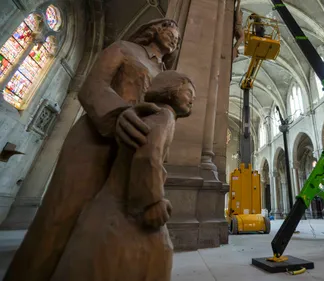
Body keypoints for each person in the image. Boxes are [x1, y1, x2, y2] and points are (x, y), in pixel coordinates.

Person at [3, 18, 181, 281]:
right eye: (171, 33)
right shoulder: (124, 48)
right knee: (60, 222)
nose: (174, 41)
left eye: (178, 40)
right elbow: (93, 85)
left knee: (109, 233)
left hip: (133, 152)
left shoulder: (165, 75)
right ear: (156, 29)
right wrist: (119, 113)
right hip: (97, 140)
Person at [49, 70, 196, 281]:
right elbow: (148, 155)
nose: (193, 100)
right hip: (133, 202)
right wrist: (152, 201)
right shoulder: (164, 115)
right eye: (189, 93)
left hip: (112, 203)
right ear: (171, 91)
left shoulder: (154, 113)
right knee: (153, 254)